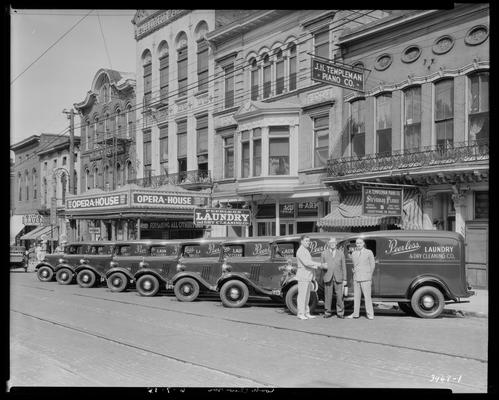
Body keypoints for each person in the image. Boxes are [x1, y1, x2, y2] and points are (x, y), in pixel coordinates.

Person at [347, 238, 376, 320]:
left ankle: (370, 314)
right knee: (356, 297)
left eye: (360, 243)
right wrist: (354, 270)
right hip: (356, 278)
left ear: (363, 243)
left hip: (366, 278)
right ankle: (355, 314)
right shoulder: (354, 253)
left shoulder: (369, 252)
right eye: (357, 243)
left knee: (367, 297)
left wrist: (369, 275)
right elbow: (354, 265)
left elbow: (372, 265)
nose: (358, 244)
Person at [296, 235, 322, 320]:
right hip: (303, 275)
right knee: (302, 296)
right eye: (306, 241)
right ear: (302, 241)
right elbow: (307, 263)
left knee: (307, 296)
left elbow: (309, 263)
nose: (308, 242)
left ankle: (306, 313)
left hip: (307, 276)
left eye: (309, 241)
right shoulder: (300, 251)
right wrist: (319, 265)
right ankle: (300, 313)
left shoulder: (306, 250)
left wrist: (314, 267)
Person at [320, 237, 347, 318]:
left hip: (338, 277)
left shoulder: (341, 253)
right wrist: (323, 266)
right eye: (331, 243)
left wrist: (345, 279)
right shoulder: (324, 253)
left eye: (334, 243)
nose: (332, 244)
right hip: (328, 277)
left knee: (339, 296)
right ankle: (327, 312)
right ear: (328, 244)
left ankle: (340, 313)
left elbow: (344, 267)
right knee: (328, 296)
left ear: (336, 244)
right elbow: (321, 265)